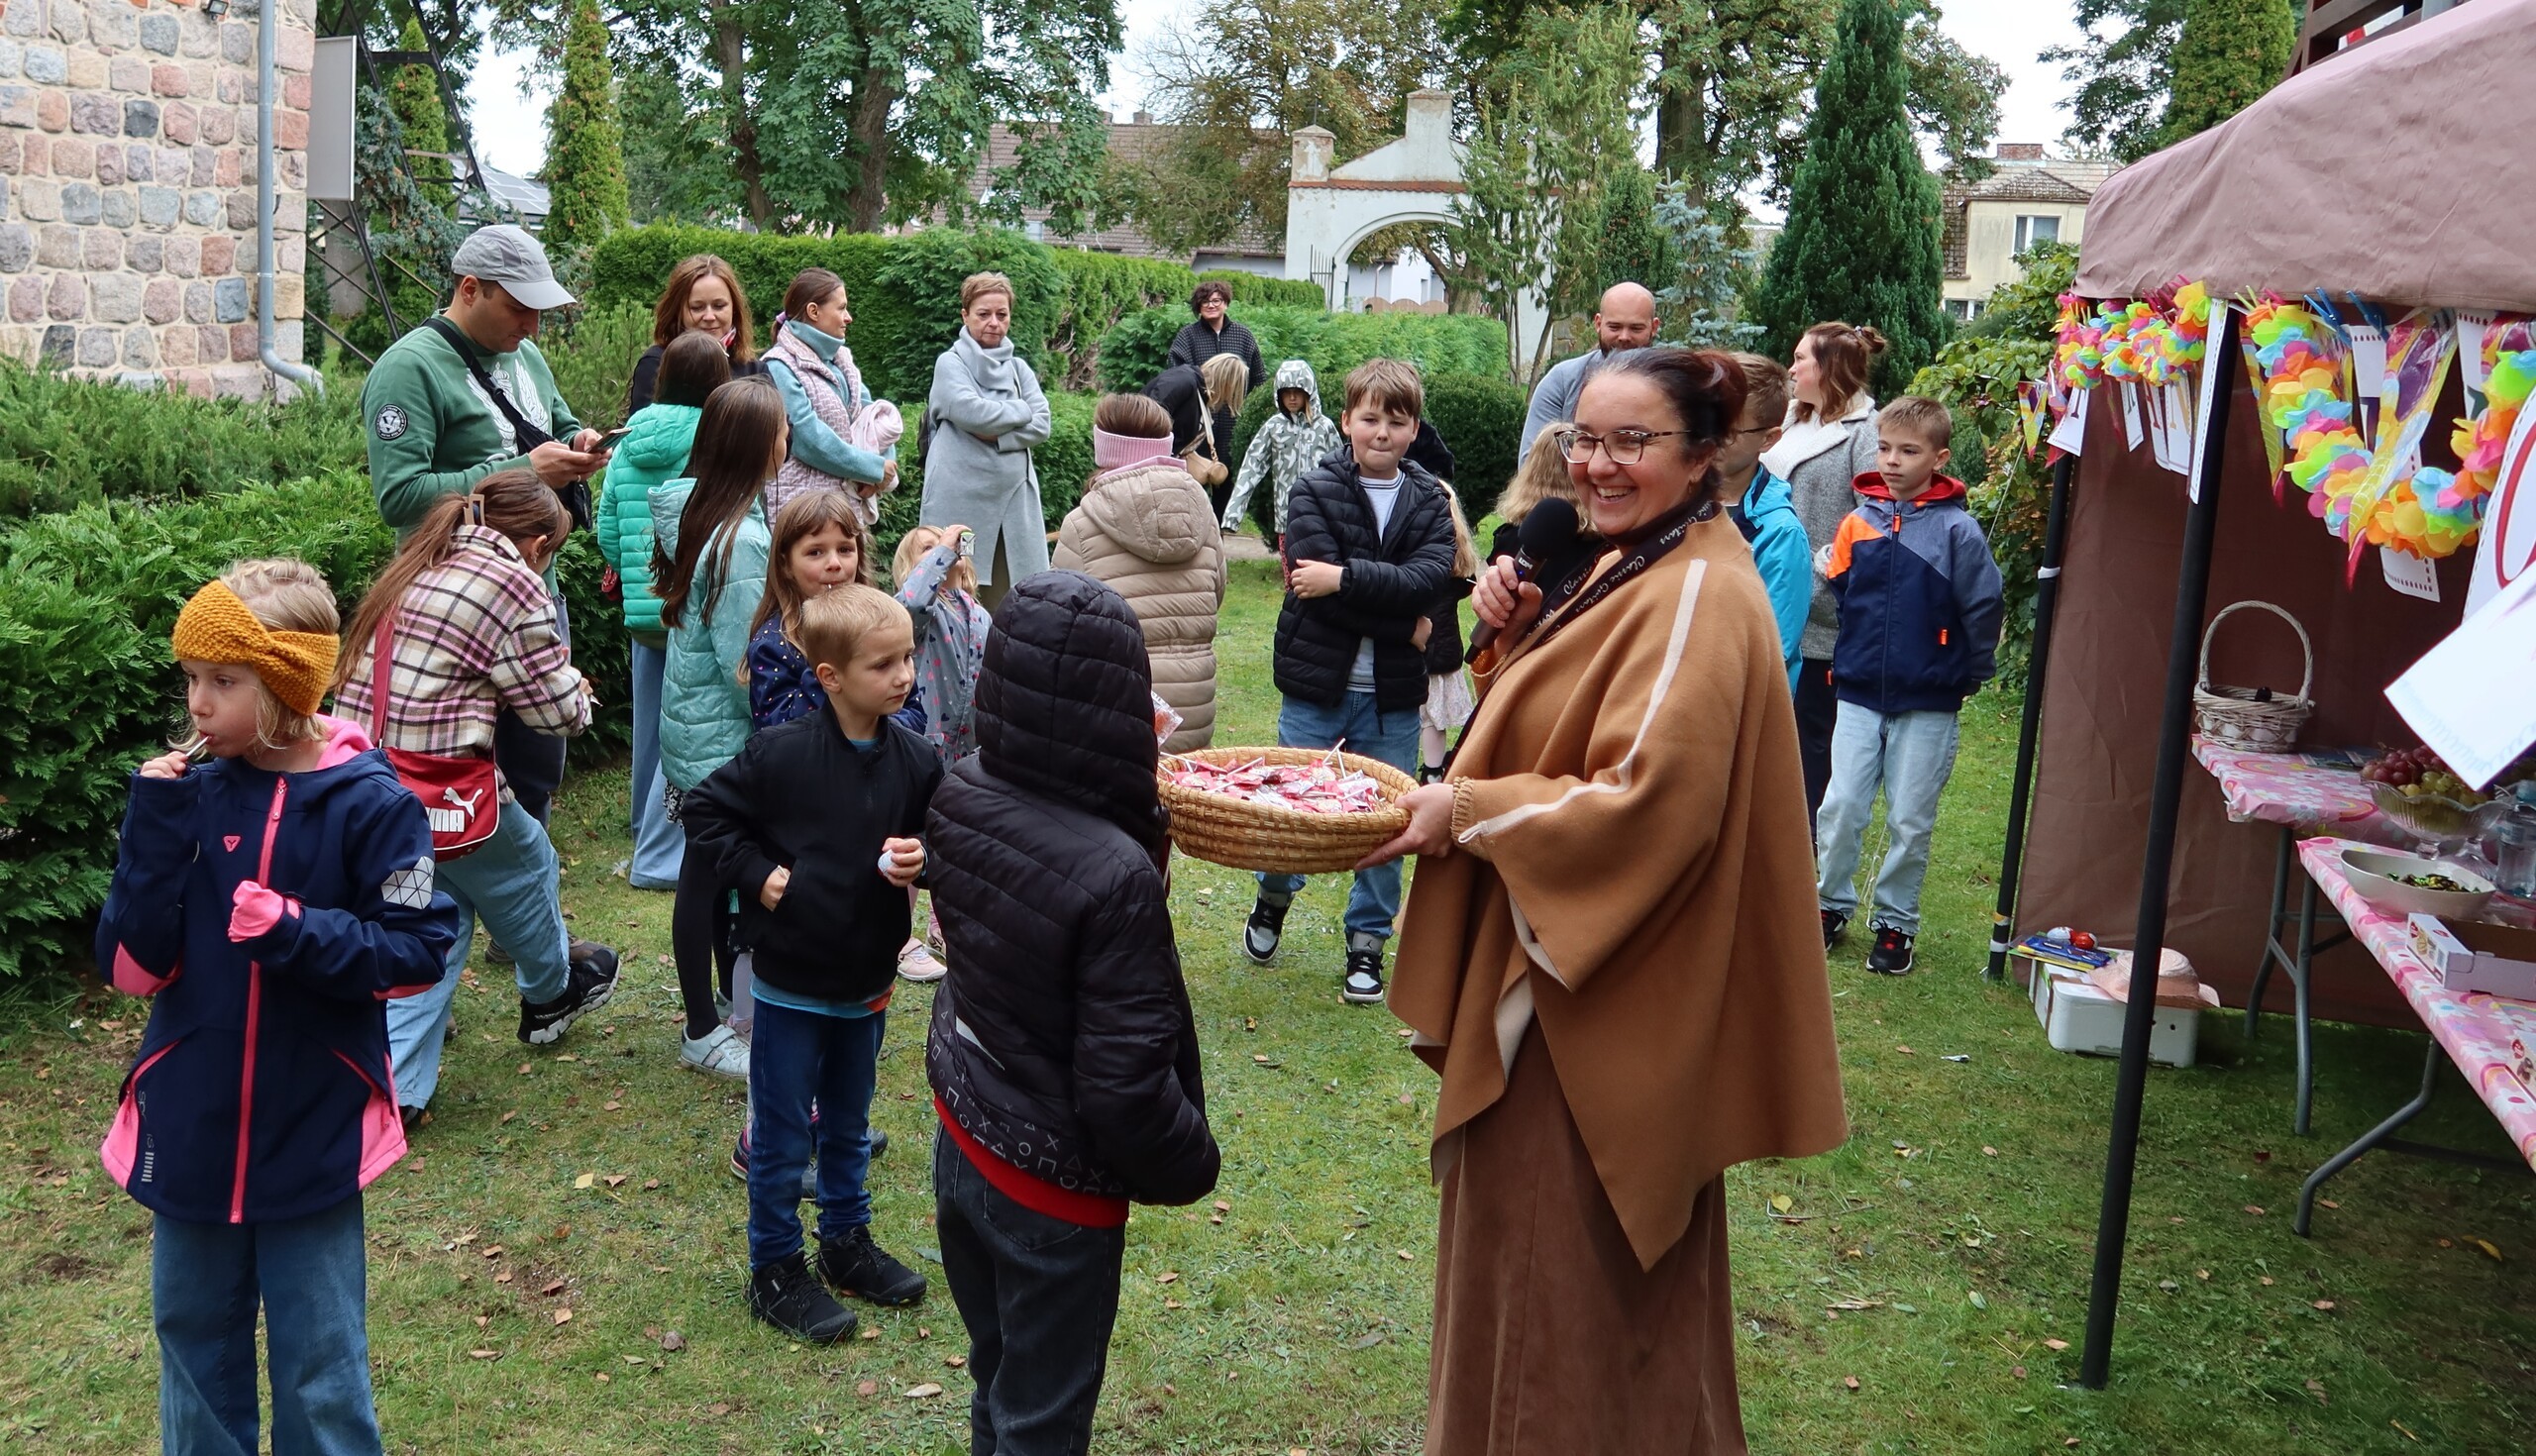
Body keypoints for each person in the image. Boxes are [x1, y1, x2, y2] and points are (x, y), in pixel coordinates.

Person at [1376, 349, 1848, 1453]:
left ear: (1703, 452)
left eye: (1632, 441)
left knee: (1563, 1287)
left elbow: (1647, 799)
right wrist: (1512, 636)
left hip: (1591, 1008)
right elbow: (1576, 718)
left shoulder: (1701, 591)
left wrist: (1466, 810)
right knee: (1539, 1280)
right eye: (1585, 439)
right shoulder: (1636, 558)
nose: (1596, 464)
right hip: (1566, 979)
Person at [98, 560, 463, 1455]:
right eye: (191, 679)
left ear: (288, 685)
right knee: (192, 1343)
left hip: (313, 1123)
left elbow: (416, 951)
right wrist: (152, 831)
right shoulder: (188, 793)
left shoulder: (372, 805)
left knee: (319, 1361)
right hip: (192, 1119)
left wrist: (298, 930)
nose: (197, 703)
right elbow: (131, 971)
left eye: (224, 681)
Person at [924, 570, 1219, 1456]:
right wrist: (1192, 1161)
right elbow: (1123, 1086)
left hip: (965, 1135)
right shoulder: (1114, 874)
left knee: (1000, 1376)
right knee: (1043, 1419)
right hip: (1049, 1192)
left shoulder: (960, 788)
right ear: (1125, 701)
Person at [682, 584, 942, 1342]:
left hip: (867, 981)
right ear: (830, 677)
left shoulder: (917, 759)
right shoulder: (782, 754)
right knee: (783, 1134)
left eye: (907, 658)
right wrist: (757, 873)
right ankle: (774, 1268)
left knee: (849, 1124)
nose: (904, 676)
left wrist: (924, 858)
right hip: (791, 985)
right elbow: (705, 811)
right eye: (883, 665)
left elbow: (949, 836)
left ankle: (845, 1243)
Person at [334, 470, 619, 1120]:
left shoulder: (421, 558)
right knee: (529, 866)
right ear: (539, 545)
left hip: (370, 783)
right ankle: (550, 994)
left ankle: (395, 1088)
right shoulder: (513, 582)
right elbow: (553, 711)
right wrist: (579, 693)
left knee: (432, 922)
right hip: (443, 794)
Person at [362, 223, 607, 824]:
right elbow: (399, 498)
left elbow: (557, 424)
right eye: (520, 310)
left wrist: (579, 443)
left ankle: (530, 886)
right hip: (454, 614)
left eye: (539, 312)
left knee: (535, 771)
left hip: (535, 596)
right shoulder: (407, 369)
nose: (533, 327)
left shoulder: (527, 355)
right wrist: (525, 468)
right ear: (470, 289)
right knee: (454, 789)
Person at [1246, 359, 1458, 1005]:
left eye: (1397, 420)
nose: (1382, 432)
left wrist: (1343, 577)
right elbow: (1315, 597)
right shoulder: (1312, 490)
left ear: (1414, 428)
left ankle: (1366, 942)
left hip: (1391, 697)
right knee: (1290, 811)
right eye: (1370, 418)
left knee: (1388, 823)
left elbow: (1428, 581)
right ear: (1346, 421)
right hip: (1318, 688)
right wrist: (1403, 627)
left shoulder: (1431, 500)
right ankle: (1273, 896)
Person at [1814, 395, 2003, 976]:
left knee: (1909, 819)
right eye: (1885, 448)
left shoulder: (1959, 531)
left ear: (1938, 459)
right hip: (1858, 692)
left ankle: (1896, 923)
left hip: (1929, 698)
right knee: (1842, 805)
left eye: (1909, 451)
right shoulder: (1857, 522)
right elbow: (1842, 593)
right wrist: (1855, 654)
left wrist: (1970, 671)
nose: (1892, 461)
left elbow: (1983, 607)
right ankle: (1829, 904)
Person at [748, 493, 940, 988]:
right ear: (785, 564)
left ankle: (890, 946)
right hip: (810, 804)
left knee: (884, 868)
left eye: (845, 549)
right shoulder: (776, 642)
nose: (834, 563)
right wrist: (828, 669)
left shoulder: (881, 625)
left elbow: (913, 710)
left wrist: (880, 732)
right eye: (816, 552)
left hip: (878, 781)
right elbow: (779, 728)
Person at [655, 378, 786, 1078]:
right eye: (782, 429)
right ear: (760, 447)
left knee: (705, 876)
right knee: (704, 879)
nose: (788, 440)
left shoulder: (706, 513)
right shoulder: (743, 540)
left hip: (693, 733)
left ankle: (725, 1009)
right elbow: (747, 666)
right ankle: (702, 1028)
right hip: (720, 743)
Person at [600, 331, 732, 891]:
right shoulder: (715, 433)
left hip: (642, 606)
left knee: (648, 727)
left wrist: (635, 577)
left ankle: (642, 828)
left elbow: (607, 527)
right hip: (691, 604)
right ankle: (667, 847)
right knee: (688, 724)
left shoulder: (629, 437)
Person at [1761, 320, 1887, 819]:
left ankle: (1810, 843)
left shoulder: (1866, 433)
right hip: (1767, 593)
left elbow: (1875, 519)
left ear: (1830, 369)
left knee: (1812, 741)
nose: (1791, 369)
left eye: (1801, 360)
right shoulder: (1792, 420)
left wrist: (1823, 574)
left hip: (1820, 621)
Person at [1053, 393, 1227, 752]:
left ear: (1105, 448)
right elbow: (1217, 593)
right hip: (1195, 711)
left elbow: (1058, 623)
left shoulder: (1081, 525)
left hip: (1117, 712)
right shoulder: (1204, 514)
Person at [922, 272, 1053, 612]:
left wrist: (997, 435)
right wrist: (1021, 410)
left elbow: (1042, 425)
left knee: (1018, 596)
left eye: (1002, 314)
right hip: (961, 504)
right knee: (960, 587)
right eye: (983, 314)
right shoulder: (950, 363)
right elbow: (973, 413)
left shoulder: (1019, 369)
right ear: (965, 315)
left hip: (1014, 505)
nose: (994, 323)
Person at [760, 267, 901, 526]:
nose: (849, 318)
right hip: (802, 514)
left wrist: (883, 467)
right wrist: (871, 469)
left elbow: (873, 417)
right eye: (842, 308)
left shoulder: (842, 361)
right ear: (814, 311)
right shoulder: (778, 365)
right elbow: (806, 437)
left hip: (843, 511)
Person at [1722, 354, 1807, 690]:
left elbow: (1772, 651)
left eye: (1729, 430)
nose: (1710, 437)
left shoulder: (1780, 533)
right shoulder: (1671, 504)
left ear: (1769, 439)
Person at [1516, 281, 1660, 458]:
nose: (1624, 337)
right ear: (1598, 323)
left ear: (1654, 327)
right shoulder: (1562, 381)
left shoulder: (1674, 385)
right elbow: (1532, 462)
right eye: (1614, 327)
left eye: (1636, 328)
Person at [891, 525, 994, 766]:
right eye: (929, 548)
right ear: (914, 572)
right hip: (928, 744)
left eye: (946, 543)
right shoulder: (922, 613)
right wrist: (944, 551)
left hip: (972, 748)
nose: (944, 548)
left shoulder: (982, 615)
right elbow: (912, 603)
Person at [1222, 359, 1342, 546]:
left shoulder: (1324, 427)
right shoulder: (1274, 427)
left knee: (1317, 563)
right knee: (1291, 565)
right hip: (1287, 521)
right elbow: (1252, 467)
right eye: (1286, 393)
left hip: (1320, 519)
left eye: (1297, 392)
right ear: (1279, 395)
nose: (1292, 398)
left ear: (1308, 392)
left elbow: (1341, 470)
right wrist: (1232, 515)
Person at [625, 253, 763, 416]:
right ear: (678, 311)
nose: (709, 317)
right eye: (697, 308)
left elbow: (781, 428)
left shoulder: (755, 370)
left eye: (719, 306)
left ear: (734, 309)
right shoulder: (656, 363)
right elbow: (644, 426)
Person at [1417, 486, 1480, 781]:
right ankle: (1433, 770)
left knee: (1428, 716)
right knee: (1433, 717)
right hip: (1442, 649)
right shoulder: (1454, 556)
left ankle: (1432, 771)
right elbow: (1468, 583)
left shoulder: (1418, 554)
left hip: (1428, 651)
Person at [1165, 278, 1263, 390]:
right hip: (1199, 400)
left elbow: (1258, 377)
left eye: (1216, 301)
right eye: (1205, 301)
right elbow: (1176, 374)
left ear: (1225, 304)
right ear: (1199, 307)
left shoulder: (1243, 335)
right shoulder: (1187, 336)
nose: (1211, 305)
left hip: (1238, 400)